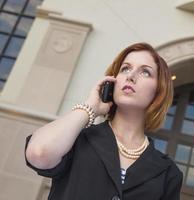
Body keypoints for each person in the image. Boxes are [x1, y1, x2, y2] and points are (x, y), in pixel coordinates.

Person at [25, 42, 183, 200]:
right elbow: (38, 153)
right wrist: (90, 108)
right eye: (125, 69)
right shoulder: (77, 140)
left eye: (145, 72)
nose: (131, 76)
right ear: (112, 82)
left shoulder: (168, 173)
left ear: (158, 91)